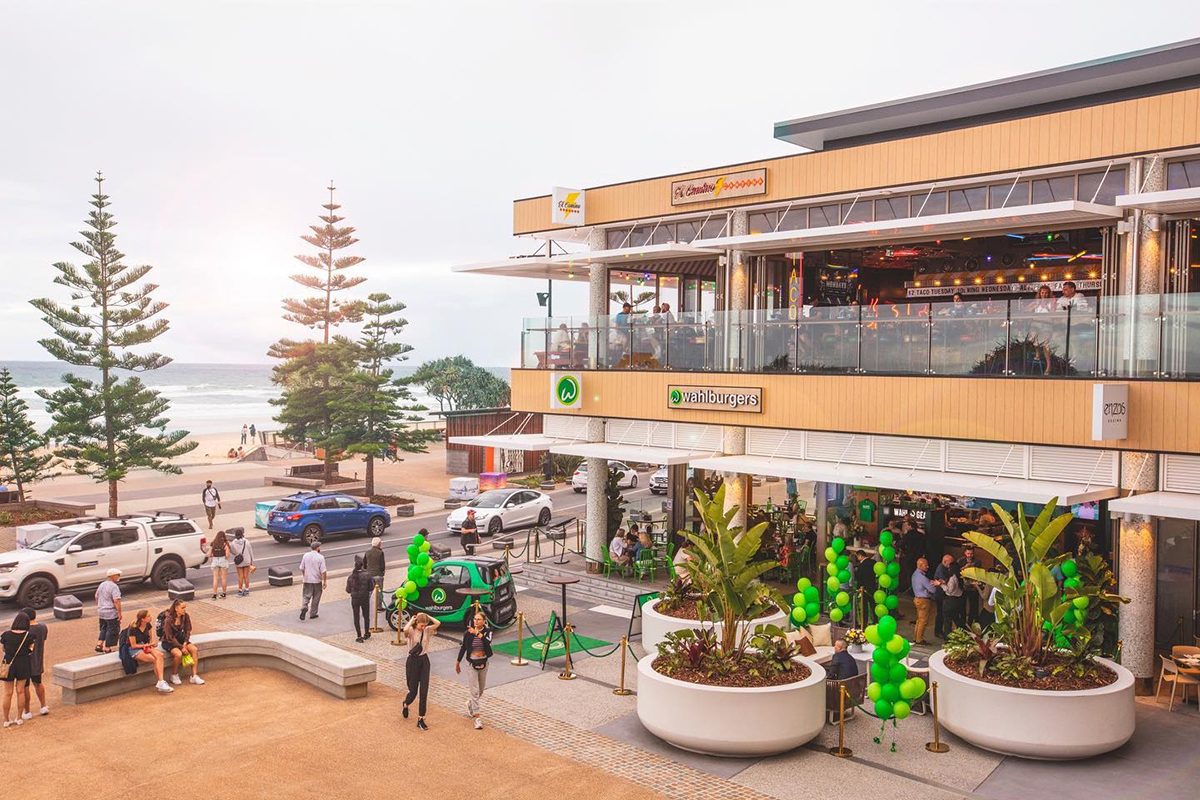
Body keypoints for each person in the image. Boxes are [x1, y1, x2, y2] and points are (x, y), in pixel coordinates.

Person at [456, 610, 493, 730]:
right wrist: (458, 662)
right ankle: (477, 718)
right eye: (475, 619)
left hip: (483, 663)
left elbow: (488, 642)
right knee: (475, 691)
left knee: (481, 690)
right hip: (471, 663)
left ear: (484, 621)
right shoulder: (468, 633)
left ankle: (470, 704)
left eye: (479, 619)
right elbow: (463, 648)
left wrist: (477, 633)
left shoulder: (488, 632)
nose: (476, 621)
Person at [402, 612, 440, 730]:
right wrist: (412, 621)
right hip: (413, 661)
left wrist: (428, 617)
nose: (423, 627)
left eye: (424, 625)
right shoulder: (412, 631)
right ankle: (406, 703)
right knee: (413, 691)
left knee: (424, 691)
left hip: (424, 660)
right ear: (416, 623)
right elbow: (405, 630)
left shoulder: (427, 630)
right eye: (421, 625)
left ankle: (421, 718)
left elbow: (438, 623)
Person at [120, 609, 172, 693]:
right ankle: (161, 682)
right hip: (134, 649)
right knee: (154, 659)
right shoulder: (133, 629)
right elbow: (133, 645)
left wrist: (152, 644)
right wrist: (146, 645)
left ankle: (161, 682)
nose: (150, 617)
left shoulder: (148, 625)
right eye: (148, 616)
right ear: (142, 619)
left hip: (145, 645)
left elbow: (150, 639)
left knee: (160, 655)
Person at [160, 599, 203, 686]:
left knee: (194, 650)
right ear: (176, 608)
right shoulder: (168, 619)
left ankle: (194, 676)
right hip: (168, 641)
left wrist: (185, 642)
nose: (184, 610)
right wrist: (181, 647)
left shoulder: (185, 616)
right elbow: (169, 637)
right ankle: (174, 675)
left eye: (185, 608)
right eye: (182, 608)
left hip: (181, 640)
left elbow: (188, 630)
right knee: (178, 654)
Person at [2, 612, 34, 727]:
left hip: (9, 664)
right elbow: (31, 650)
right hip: (23, 664)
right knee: (20, 691)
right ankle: (19, 717)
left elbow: (4, 649)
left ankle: (6, 720)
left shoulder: (6, 635)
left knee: (7, 693)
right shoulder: (29, 636)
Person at [19, 607, 48, 717]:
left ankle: (27, 711)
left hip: (24, 662)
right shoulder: (42, 627)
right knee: (38, 683)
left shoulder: (23, 631)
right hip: (37, 660)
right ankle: (43, 706)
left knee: (25, 687)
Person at [95, 568, 123, 653]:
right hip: (110, 612)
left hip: (101, 611)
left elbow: (96, 596)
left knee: (104, 628)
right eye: (118, 575)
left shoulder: (102, 584)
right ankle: (108, 647)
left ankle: (99, 644)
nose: (119, 576)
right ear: (113, 576)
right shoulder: (114, 587)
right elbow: (116, 600)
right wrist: (119, 612)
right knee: (112, 629)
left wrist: (100, 605)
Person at [299, 541, 327, 621]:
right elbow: (323, 571)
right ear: (317, 548)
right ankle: (313, 613)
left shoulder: (305, 555)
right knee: (316, 596)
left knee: (306, 595)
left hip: (307, 580)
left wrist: (305, 575)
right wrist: (324, 581)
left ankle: (304, 606)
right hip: (317, 581)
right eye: (319, 547)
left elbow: (301, 568)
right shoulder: (320, 557)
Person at [911, 558, 937, 645]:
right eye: (926, 565)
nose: (928, 567)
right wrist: (933, 583)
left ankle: (916, 637)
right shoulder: (922, 578)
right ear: (920, 565)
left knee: (919, 620)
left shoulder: (915, 575)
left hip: (917, 599)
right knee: (923, 621)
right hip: (923, 601)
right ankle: (919, 639)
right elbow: (933, 589)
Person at [933, 553, 954, 639]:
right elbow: (943, 581)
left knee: (943, 613)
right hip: (940, 595)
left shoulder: (945, 568)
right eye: (950, 563)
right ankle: (938, 631)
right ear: (945, 562)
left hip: (943, 594)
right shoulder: (941, 569)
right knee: (940, 614)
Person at [958, 546, 981, 624]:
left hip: (973, 587)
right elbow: (956, 571)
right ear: (965, 553)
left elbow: (979, 574)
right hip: (963, 587)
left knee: (973, 606)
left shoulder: (977, 561)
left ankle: (970, 622)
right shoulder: (960, 561)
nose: (970, 555)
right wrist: (965, 567)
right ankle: (963, 621)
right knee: (962, 606)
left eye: (971, 554)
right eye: (968, 553)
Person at [230, 528, 255, 597]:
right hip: (247, 561)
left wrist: (237, 554)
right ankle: (247, 590)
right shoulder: (246, 542)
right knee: (246, 576)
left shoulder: (233, 543)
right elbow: (250, 552)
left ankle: (240, 591)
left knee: (240, 576)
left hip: (239, 561)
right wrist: (252, 561)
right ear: (242, 534)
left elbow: (232, 552)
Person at [206, 529, 231, 599]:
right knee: (223, 578)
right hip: (223, 560)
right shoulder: (225, 544)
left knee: (215, 578)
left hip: (215, 561)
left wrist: (213, 555)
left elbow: (209, 554)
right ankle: (224, 594)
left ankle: (214, 595)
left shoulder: (213, 544)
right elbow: (227, 555)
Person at [364, 536, 386, 609]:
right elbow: (382, 565)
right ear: (379, 544)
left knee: (369, 592)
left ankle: (365, 606)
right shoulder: (380, 552)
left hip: (369, 575)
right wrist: (382, 573)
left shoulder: (367, 552)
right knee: (379, 592)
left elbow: (364, 564)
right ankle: (379, 607)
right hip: (378, 575)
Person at [942, 562, 965, 633]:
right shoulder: (959, 577)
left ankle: (947, 638)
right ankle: (961, 634)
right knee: (956, 619)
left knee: (947, 621)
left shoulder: (952, 578)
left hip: (950, 601)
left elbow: (949, 590)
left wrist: (941, 585)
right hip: (957, 601)